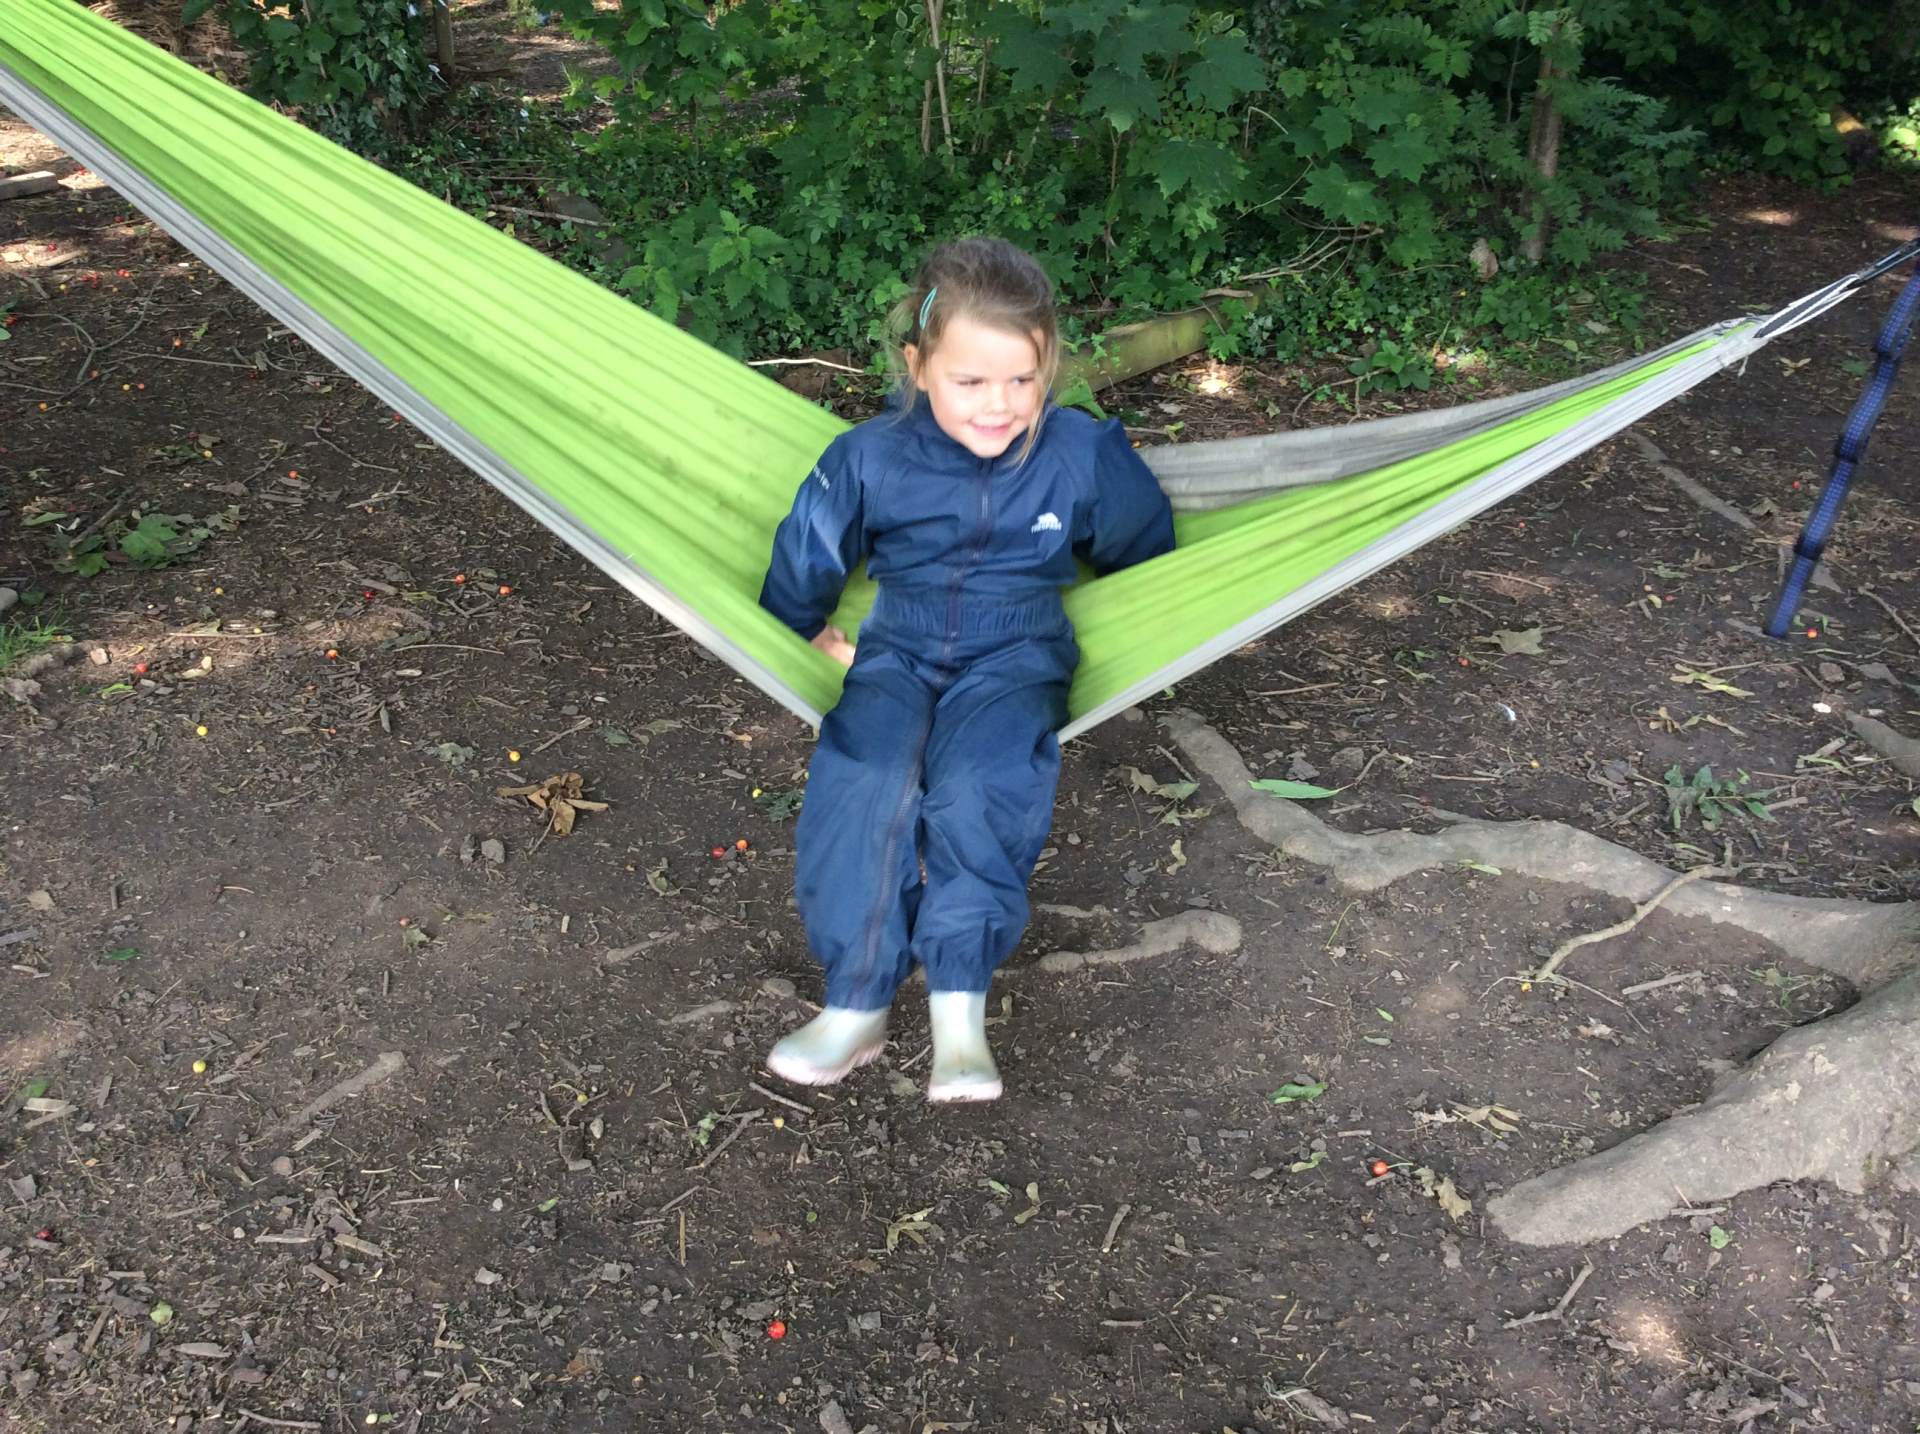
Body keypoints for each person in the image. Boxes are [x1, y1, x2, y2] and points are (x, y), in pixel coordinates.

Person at [757, 237, 1175, 1102]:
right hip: (898, 650)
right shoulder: (870, 457)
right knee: (863, 776)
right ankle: (855, 1001)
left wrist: (1152, 618)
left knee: (982, 783)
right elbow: (808, 551)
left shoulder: (1077, 452)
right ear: (918, 368)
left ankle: (958, 1005)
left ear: (1048, 368)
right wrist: (805, 630)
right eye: (971, 381)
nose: (999, 404)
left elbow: (1145, 549)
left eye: (1023, 380)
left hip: (1018, 655)